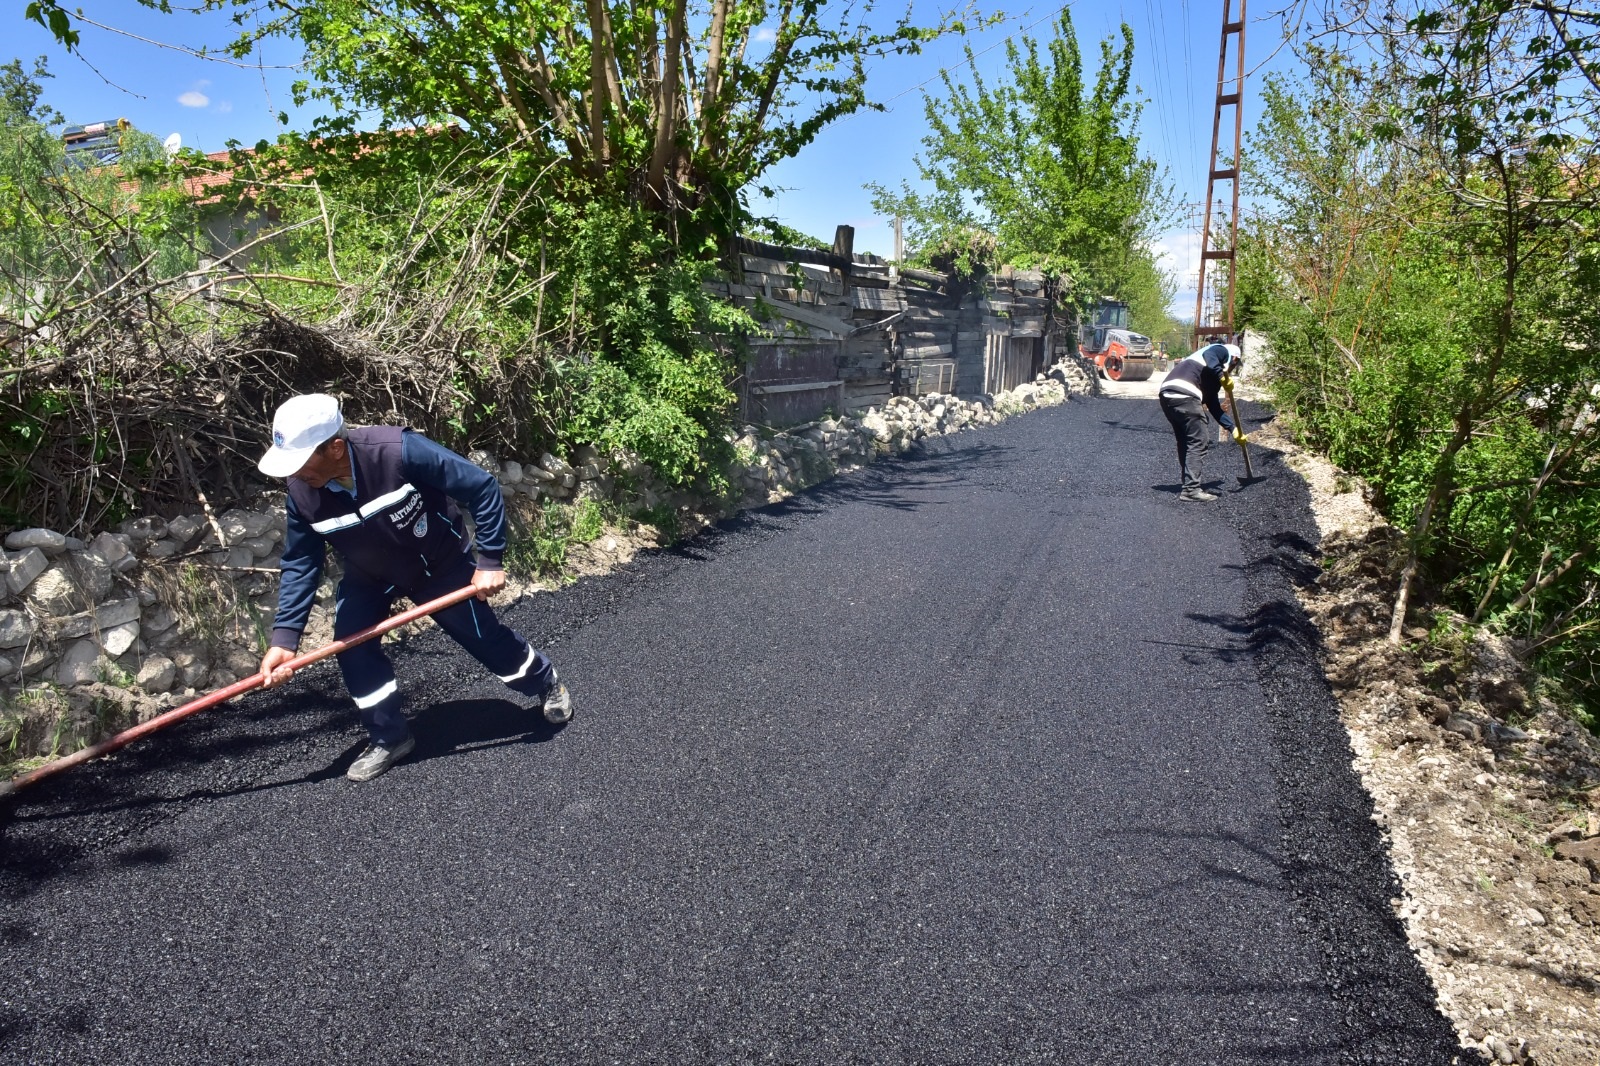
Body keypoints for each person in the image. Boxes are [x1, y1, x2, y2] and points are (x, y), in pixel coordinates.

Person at [255, 393, 571, 781]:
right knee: (352, 647)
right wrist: (284, 640)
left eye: (301, 461)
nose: (295, 473)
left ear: (335, 447)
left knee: (481, 636)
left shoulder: (398, 451)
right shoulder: (301, 492)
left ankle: (545, 681)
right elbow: (302, 561)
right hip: (370, 574)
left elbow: (481, 486)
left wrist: (490, 561)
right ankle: (389, 736)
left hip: (438, 562)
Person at [1158, 341, 1244, 502]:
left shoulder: (1208, 377)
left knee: (1185, 440)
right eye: (1234, 365)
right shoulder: (1221, 350)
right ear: (1234, 359)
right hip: (1185, 394)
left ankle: (1188, 484)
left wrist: (1233, 429)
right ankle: (1191, 489)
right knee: (1199, 440)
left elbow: (1214, 408)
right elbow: (1210, 355)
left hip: (1168, 395)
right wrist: (1221, 375)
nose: (1232, 370)